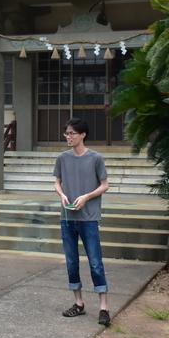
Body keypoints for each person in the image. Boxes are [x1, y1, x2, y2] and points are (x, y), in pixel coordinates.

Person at [53, 117, 112, 326]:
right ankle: (78, 303)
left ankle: (104, 307)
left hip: (89, 218)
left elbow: (105, 185)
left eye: (72, 133)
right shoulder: (62, 158)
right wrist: (61, 195)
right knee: (71, 262)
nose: (68, 137)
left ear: (82, 135)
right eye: (66, 133)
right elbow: (57, 182)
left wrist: (86, 197)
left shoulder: (96, 158)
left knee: (95, 262)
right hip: (67, 217)